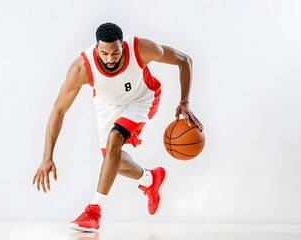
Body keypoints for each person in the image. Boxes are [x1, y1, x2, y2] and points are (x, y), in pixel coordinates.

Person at [32, 22, 203, 232]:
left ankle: (93, 211)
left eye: (116, 52)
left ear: (123, 45)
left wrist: (184, 102)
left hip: (142, 98)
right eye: (104, 53)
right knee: (111, 160)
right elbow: (58, 110)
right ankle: (151, 179)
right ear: (96, 49)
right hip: (107, 104)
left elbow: (184, 61)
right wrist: (47, 156)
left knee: (115, 140)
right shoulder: (81, 69)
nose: (110, 59)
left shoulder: (141, 49)